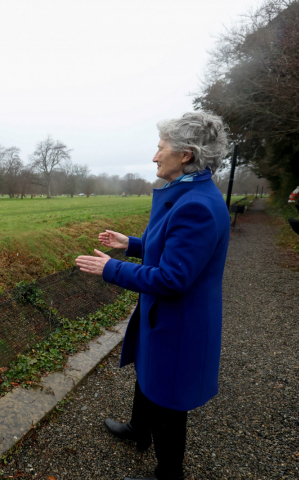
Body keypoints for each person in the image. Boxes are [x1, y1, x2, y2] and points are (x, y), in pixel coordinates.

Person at [75, 112, 231, 480]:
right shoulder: (190, 193)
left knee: (169, 400)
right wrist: (130, 244)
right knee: (150, 378)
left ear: (186, 155)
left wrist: (110, 268)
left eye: (161, 149)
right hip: (164, 317)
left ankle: (168, 473)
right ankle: (138, 431)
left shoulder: (196, 206)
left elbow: (174, 276)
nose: (155, 156)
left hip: (179, 324)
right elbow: (171, 248)